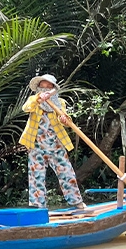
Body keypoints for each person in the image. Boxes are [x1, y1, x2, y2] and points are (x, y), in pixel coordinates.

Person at [20, 74, 86, 209]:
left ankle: (76, 202)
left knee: (66, 172)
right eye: (42, 87)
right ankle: (37, 207)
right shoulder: (34, 100)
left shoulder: (59, 103)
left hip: (56, 145)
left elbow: (67, 121)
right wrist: (39, 98)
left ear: (53, 89)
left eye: (48, 87)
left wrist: (64, 120)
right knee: (36, 176)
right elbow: (26, 108)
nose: (44, 89)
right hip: (36, 146)